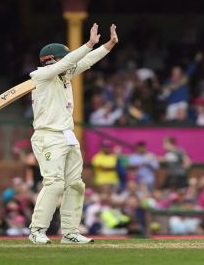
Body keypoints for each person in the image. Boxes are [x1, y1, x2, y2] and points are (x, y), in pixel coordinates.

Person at [28, 23, 118, 244]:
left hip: (67, 135)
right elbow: (73, 60)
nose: (70, 63)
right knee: (54, 183)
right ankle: (37, 230)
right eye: (65, 59)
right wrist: (88, 44)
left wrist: (109, 45)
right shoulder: (40, 75)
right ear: (52, 60)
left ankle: (70, 232)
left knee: (75, 184)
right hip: (48, 135)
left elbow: (86, 61)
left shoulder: (63, 76)